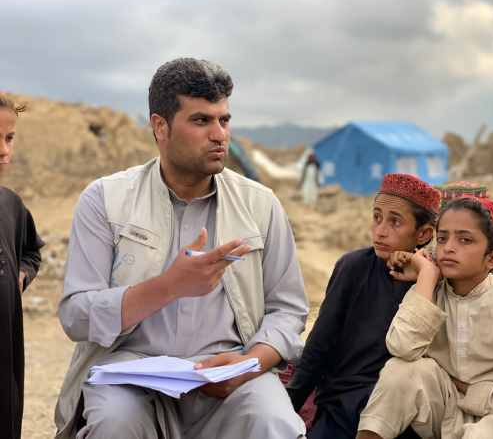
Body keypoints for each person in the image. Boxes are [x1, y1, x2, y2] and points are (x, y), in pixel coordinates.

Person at [54, 58, 309, 439]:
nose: (220, 134)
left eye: (224, 120)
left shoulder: (261, 204)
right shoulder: (106, 200)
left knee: (276, 425)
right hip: (132, 375)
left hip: (232, 374)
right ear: (160, 127)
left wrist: (248, 365)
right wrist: (169, 286)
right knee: (113, 425)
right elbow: (76, 314)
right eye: (202, 121)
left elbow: (287, 311)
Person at [356, 196, 493, 439]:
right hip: (441, 404)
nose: (449, 248)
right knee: (400, 370)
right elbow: (402, 347)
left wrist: (467, 389)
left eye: (465, 240)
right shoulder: (429, 289)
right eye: (442, 239)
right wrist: (427, 275)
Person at [287, 173, 440, 439]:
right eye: (377, 217)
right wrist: (288, 409)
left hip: (399, 410)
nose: (380, 230)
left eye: (395, 222)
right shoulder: (353, 267)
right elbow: (319, 343)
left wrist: (426, 273)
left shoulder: (433, 280)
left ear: (424, 233)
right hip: (342, 402)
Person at [0, 94, 44, 439]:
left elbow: (31, 251)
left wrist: (21, 274)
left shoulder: (10, 206)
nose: (4, 150)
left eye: (9, 138)